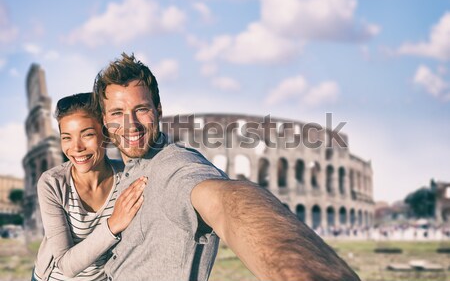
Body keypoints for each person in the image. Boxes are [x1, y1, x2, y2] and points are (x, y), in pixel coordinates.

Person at [94, 53, 361, 280]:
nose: (131, 124)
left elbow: (227, 202)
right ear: (104, 120)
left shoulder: (173, 167)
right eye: (117, 113)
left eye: (141, 109)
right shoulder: (122, 171)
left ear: (159, 111)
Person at [32, 93, 147, 281]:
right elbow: (66, 266)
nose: (76, 147)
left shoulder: (128, 178)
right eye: (66, 138)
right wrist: (113, 224)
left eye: (87, 135)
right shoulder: (52, 183)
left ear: (107, 136)